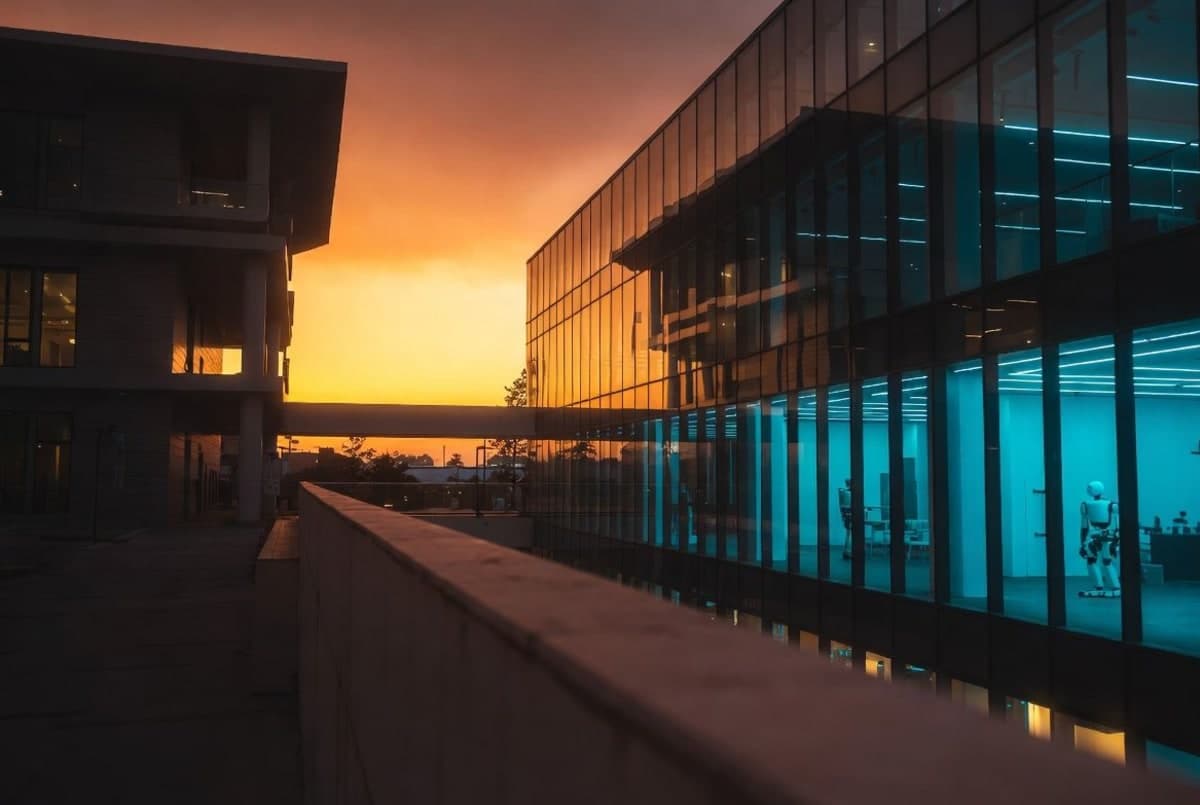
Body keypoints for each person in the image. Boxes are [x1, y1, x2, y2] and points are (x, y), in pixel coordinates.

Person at [1079, 481, 1120, 598]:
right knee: (1101, 560)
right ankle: (1108, 585)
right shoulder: (1111, 505)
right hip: (1102, 534)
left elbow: (1084, 526)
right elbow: (1116, 523)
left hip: (1099, 534)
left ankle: (1105, 585)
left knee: (1095, 560)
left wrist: (1082, 541)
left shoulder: (1086, 505)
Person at [839, 478, 853, 560]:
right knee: (850, 534)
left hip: (846, 516)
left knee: (848, 534)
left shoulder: (843, 493)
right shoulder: (850, 493)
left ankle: (846, 551)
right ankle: (848, 551)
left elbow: (842, 506)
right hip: (850, 515)